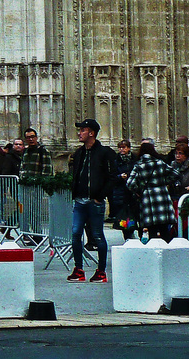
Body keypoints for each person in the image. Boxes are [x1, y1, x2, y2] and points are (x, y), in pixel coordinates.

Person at [67, 118, 119, 283]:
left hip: (94, 201)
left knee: (97, 235)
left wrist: (99, 196)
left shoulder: (105, 152)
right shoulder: (79, 153)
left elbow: (113, 177)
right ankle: (78, 269)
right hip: (80, 201)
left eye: (83, 130)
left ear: (92, 133)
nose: (79, 133)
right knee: (75, 234)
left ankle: (101, 271)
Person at [125, 140, 180, 241]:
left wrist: (139, 190)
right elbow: (176, 174)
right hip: (162, 197)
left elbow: (130, 183)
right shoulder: (160, 163)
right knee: (164, 230)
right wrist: (164, 182)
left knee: (152, 231)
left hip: (148, 199)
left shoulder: (138, 166)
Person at [108, 139, 138, 236]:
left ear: (129, 148)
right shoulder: (116, 161)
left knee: (134, 213)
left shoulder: (134, 159)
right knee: (123, 215)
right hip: (120, 191)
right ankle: (127, 233)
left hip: (132, 191)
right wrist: (120, 177)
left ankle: (132, 230)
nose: (122, 149)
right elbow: (111, 176)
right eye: (120, 147)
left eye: (124, 147)